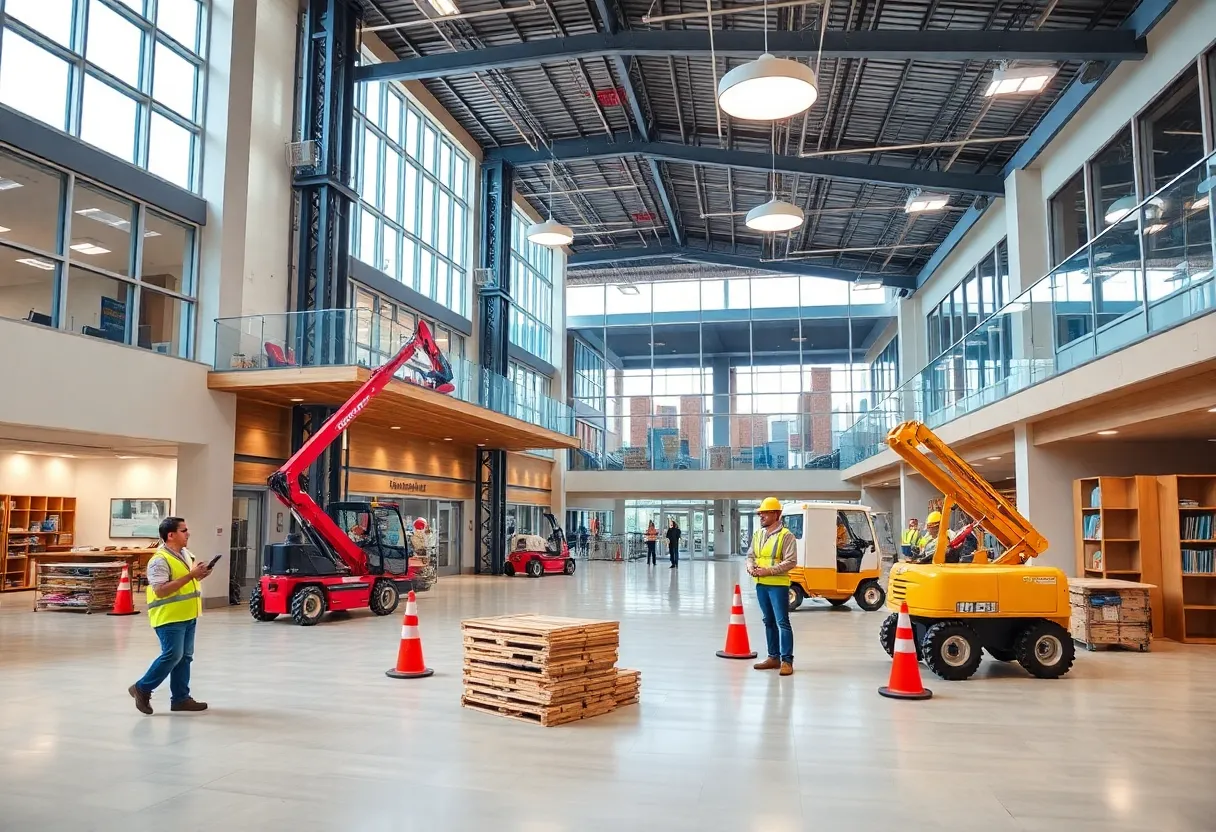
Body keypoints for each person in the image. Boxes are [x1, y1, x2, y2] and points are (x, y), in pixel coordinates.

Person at [129, 517, 211, 715]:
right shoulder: (159, 560)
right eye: (184, 530)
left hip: (188, 614)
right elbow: (161, 590)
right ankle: (142, 688)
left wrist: (199, 574)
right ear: (171, 535)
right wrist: (191, 576)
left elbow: (185, 581)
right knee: (172, 655)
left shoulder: (185, 554)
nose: (188, 533)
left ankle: (181, 699)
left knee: (185, 657)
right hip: (169, 616)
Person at [747, 497, 798, 676]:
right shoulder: (758, 534)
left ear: (776, 514)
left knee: (782, 622)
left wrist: (767, 571)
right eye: (760, 513)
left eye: (765, 512)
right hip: (761, 585)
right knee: (768, 621)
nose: (761, 515)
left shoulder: (786, 536)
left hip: (778, 585)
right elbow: (750, 555)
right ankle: (773, 657)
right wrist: (750, 566)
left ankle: (787, 661)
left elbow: (791, 561)